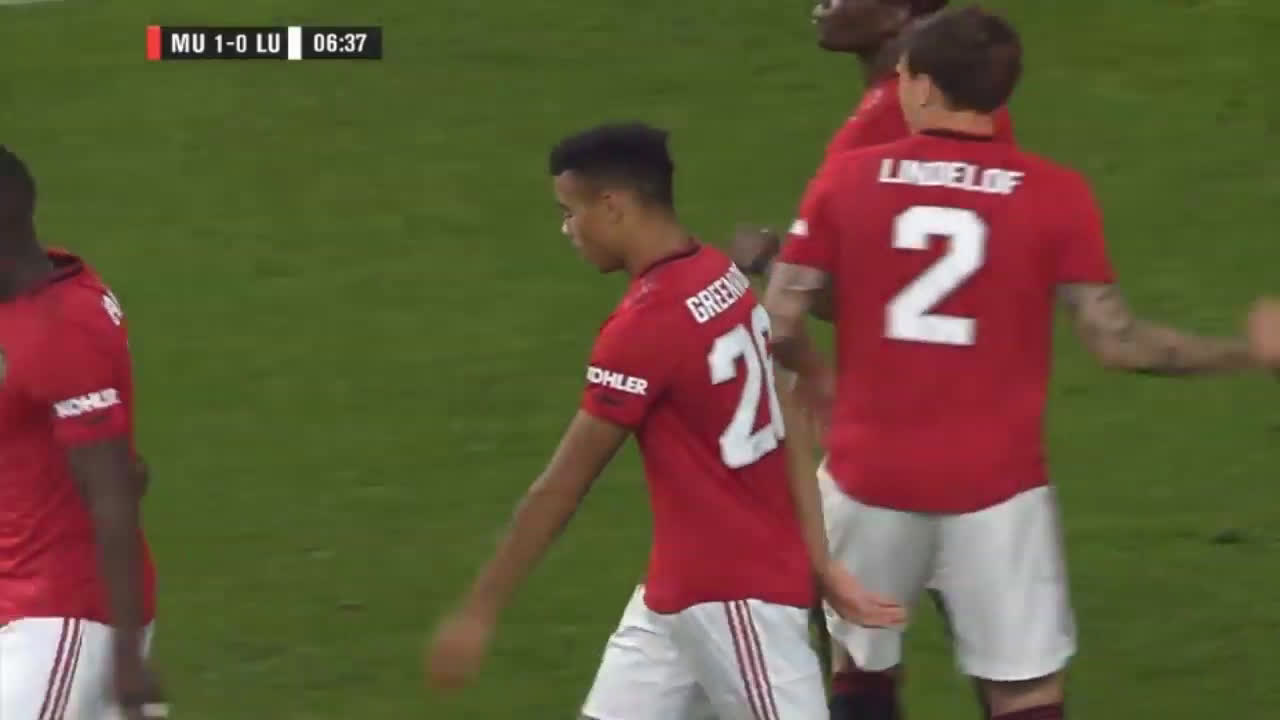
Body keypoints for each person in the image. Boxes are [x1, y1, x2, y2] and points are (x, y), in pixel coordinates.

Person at [764, 7, 1280, 720]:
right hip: (998, 488)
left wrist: (820, 378)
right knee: (1024, 691)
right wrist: (1246, 353)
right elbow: (1119, 341)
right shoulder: (1056, 193)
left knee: (862, 668)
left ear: (920, 84)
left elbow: (782, 318)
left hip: (868, 474)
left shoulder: (848, 179)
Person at [425, 123, 904, 719]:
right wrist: (822, 561)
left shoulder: (646, 325)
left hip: (735, 598)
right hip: (683, 593)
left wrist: (479, 610)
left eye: (571, 212)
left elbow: (561, 486)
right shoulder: (722, 276)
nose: (568, 230)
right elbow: (785, 421)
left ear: (613, 206)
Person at [734, 2, 1013, 717]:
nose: (822, 6)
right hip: (971, 420)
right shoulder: (966, 104)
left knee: (847, 635)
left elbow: (855, 295)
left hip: (897, 427)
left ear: (900, 13)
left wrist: (774, 264)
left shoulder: (883, 124)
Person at [0, 147, 165, 720]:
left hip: (62, 619)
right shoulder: (30, 299)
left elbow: (114, 492)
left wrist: (127, 660)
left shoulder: (62, 330)